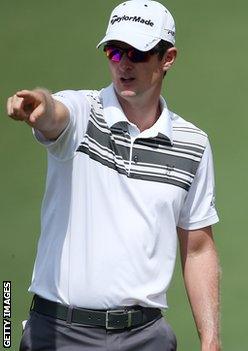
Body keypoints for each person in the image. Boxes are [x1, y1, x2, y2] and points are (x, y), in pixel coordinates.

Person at [6, 1, 221, 350]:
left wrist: (210, 338)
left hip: (146, 336)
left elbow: (197, 248)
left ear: (167, 58)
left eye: (137, 53)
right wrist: (39, 105)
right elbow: (55, 114)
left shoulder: (192, 144)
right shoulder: (82, 112)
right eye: (115, 52)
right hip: (60, 333)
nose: (124, 64)